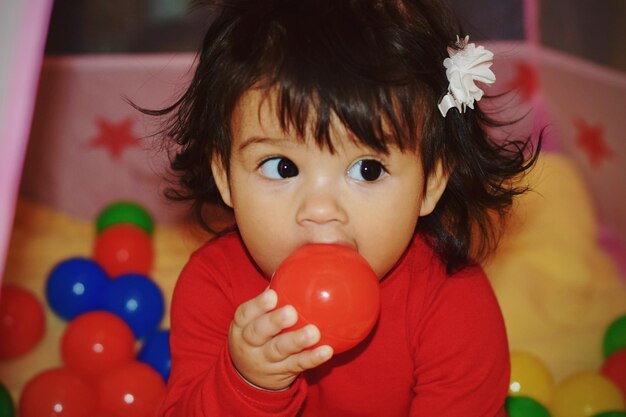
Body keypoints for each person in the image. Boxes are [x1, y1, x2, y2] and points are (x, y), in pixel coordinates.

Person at [149, 0, 540, 415]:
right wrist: (248, 382)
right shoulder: (214, 286)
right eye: (282, 168)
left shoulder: (454, 303)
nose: (320, 209)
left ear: (431, 183)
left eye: (368, 170)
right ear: (226, 177)